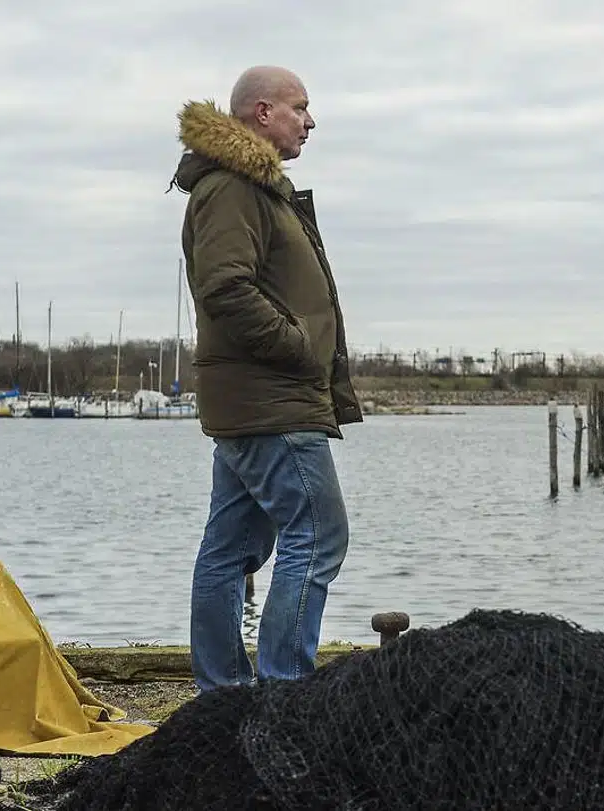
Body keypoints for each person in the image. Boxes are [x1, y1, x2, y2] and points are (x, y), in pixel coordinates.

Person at [169, 66, 363, 689]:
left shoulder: (254, 187)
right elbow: (226, 286)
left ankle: (222, 697)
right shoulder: (233, 187)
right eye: (300, 107)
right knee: (318, 534)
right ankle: (286, 692)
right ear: (261, 112)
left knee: (231, 546)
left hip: (254, 402)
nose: (311, 121)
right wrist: (299, 347)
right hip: (272, 403)